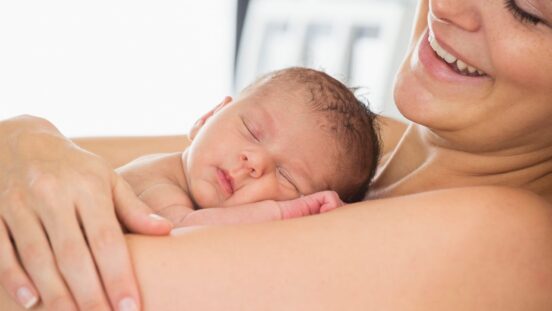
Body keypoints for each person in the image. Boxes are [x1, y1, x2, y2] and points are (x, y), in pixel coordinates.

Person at [1, 0, 551, 310]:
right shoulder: (344, 142)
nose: (450, 7)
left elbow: (55, 289)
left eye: (528, 12)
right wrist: (27, 137)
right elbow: (75, 164)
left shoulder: (508, 238)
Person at [116, 67, 380, 227]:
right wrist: (286, 211)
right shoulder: (157, 183)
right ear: (209, 116)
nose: (254, 162)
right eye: (252, 131)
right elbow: (184, 230)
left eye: (286, 176)